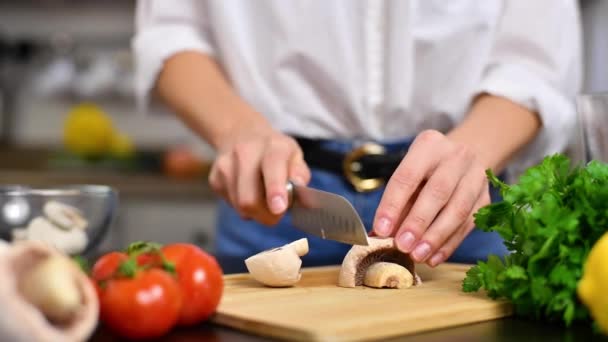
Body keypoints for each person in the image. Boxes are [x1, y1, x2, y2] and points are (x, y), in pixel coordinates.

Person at [132, 1, 582, 272]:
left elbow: (536, 58)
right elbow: (171, 29)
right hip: (281, 193)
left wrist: (475, 150)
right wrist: (237, 128)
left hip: (459, 203)